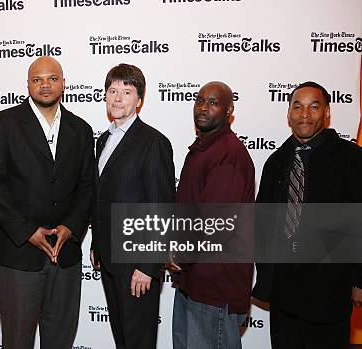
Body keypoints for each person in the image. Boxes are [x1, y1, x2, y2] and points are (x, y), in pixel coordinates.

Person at [0, 56, 94, 349]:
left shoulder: (80, 129)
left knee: (61, 338)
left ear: (64, 83)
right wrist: (26, 231)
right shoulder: (2, 124)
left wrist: (71, 227)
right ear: (28, 84)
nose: (45, 85)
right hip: (18, 255)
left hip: (65, 254)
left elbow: (87, 186)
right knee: (17, 340)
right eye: (38, 79)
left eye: (52, 78)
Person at [252, 81, 362, 349]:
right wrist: (267, 277)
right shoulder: (276, 162)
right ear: (288, 113)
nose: (304, 114)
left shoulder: (351, 159)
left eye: (314, 107)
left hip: (331, 288)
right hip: (284, 290)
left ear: (326, 112)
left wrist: (360, 280)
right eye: (297, 106)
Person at [89, 63, 175, 349]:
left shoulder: (153, 142)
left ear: (140, 99)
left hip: (138, 264)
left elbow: (160, 207)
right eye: (112, 90)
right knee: (123, 339)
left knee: (139, 341)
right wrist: (97, 244)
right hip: (110, 259)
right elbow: (102, 195)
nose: (117, 98)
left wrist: (148, 266)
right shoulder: (103, 140)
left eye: (126, 92)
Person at [170, 81, 255, 349]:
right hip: (193, 281)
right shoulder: (204, 148)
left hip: (215, 288)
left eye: (213, 103)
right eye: (199, 101)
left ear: (229, 110)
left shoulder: (228, 154)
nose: (203, 108)